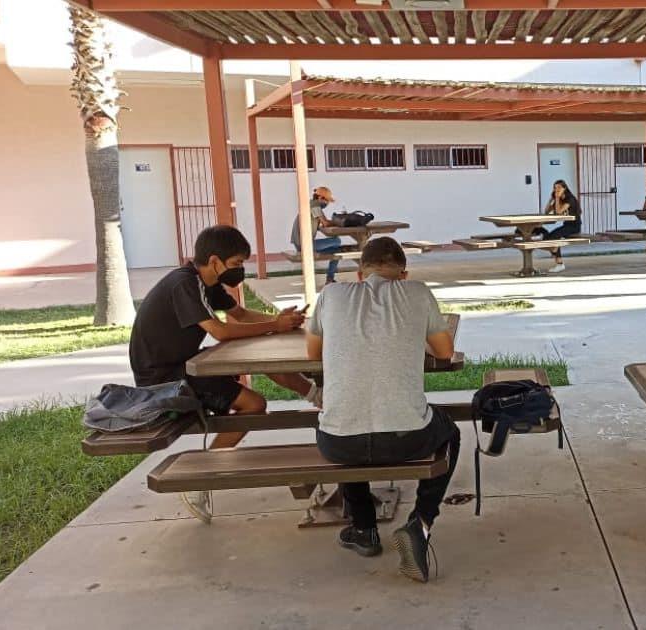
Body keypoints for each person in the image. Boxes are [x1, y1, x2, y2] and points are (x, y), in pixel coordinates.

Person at [306, 237, 460, 583]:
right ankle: (420, 522)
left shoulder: (330, 295)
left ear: (360, 273)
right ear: (403, 275)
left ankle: (364, 528)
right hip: (406, 439)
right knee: (450, 432)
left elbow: (312, 352)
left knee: (348, 422)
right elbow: (445, 351)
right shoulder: (417, 292)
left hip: (338, 442)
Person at [129, 225, 318, 451]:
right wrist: (275, 325)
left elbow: (240, 315)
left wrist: (283, 320)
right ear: (215, 261)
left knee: (258, 355)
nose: (240, 269)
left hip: (184, 364)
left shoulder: (209, 283)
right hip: (165, 378)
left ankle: (318, 397)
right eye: (236, 263)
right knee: (255, 404)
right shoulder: (185, 284)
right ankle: (210, 463)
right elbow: (220, 331)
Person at [290, 186, 344, 284]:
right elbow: (325, 223)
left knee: (337, 251)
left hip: (301, 243)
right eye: (326, 201)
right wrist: (340, 222)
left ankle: (330, 279)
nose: (327, 203)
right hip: (304, 245)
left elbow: (319, 224)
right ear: (320, 198)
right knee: (337, 241)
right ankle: (329, 278)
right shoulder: (315, 206)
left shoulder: (310, 205)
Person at [532, 179, 582, 273]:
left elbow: (559, 212)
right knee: (547, 237)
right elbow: (547, 211)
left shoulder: (569, 199)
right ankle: (554, 251)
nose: (557, 190)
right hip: (566, 225)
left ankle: (559, 264)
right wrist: (552, 199)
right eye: (555, 188)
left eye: (559, 188)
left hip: (574, 227)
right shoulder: (558, 199)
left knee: (553, 239)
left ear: (564, 188)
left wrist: (557, 198)